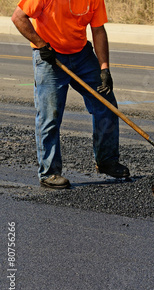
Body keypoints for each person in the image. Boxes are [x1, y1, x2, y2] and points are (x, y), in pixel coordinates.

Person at [11, 0, 130, 189]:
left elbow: (98, 30)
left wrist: (104, 68)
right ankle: (49, 173)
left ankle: (107, 161)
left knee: (106, 103)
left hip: (82, 55)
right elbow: (18, 17)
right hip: (50, 56)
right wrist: (41, 45)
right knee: (50, 116)